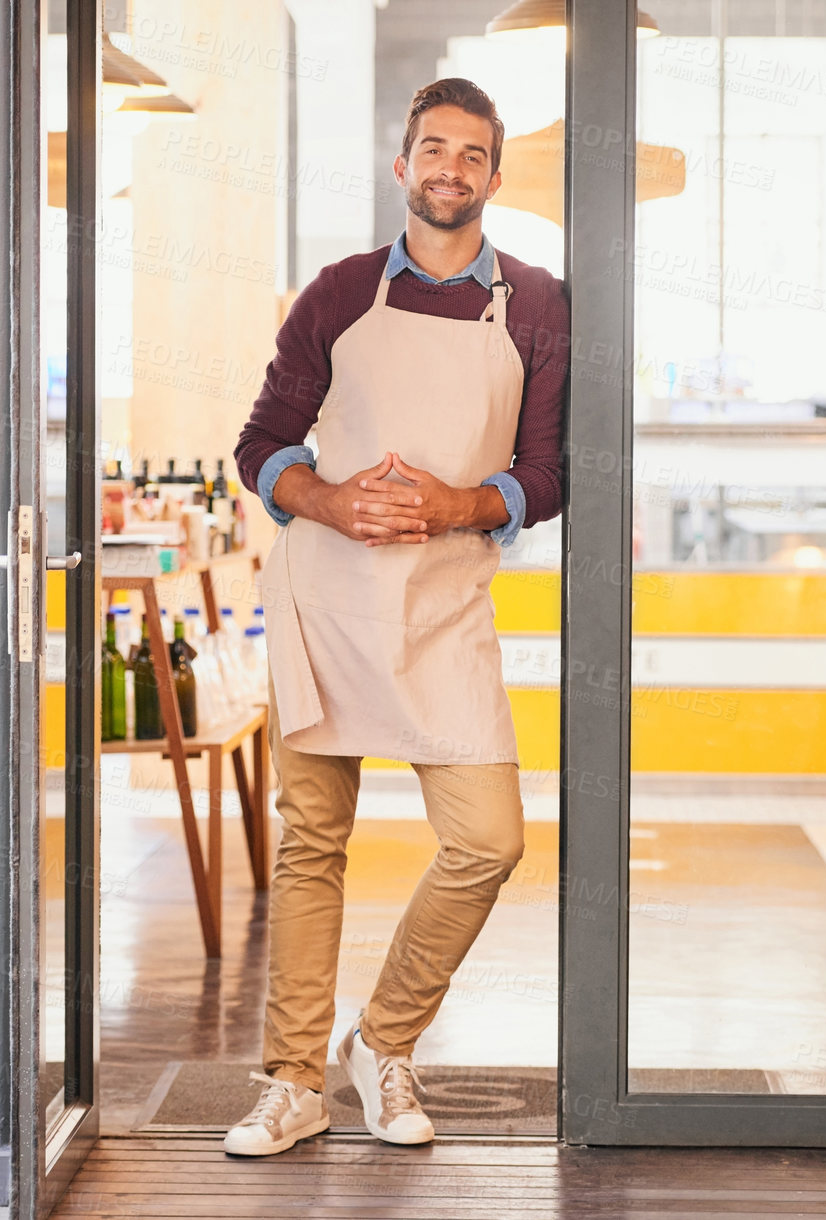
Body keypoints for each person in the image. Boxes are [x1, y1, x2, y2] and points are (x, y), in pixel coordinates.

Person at [223, 77, 568, 1156]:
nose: (449, 169)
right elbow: (259, 444)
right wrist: (324, 497)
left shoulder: (541, 305)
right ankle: (290, 1079)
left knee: (487, 839)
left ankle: (381, 1040)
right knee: (311, 840)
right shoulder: (334, 294)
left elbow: (545, 473)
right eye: (432, 149)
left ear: (494, 177)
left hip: (444, 603)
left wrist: (458, 505)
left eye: (471, 154)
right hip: (327, 595)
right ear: (401, 167)